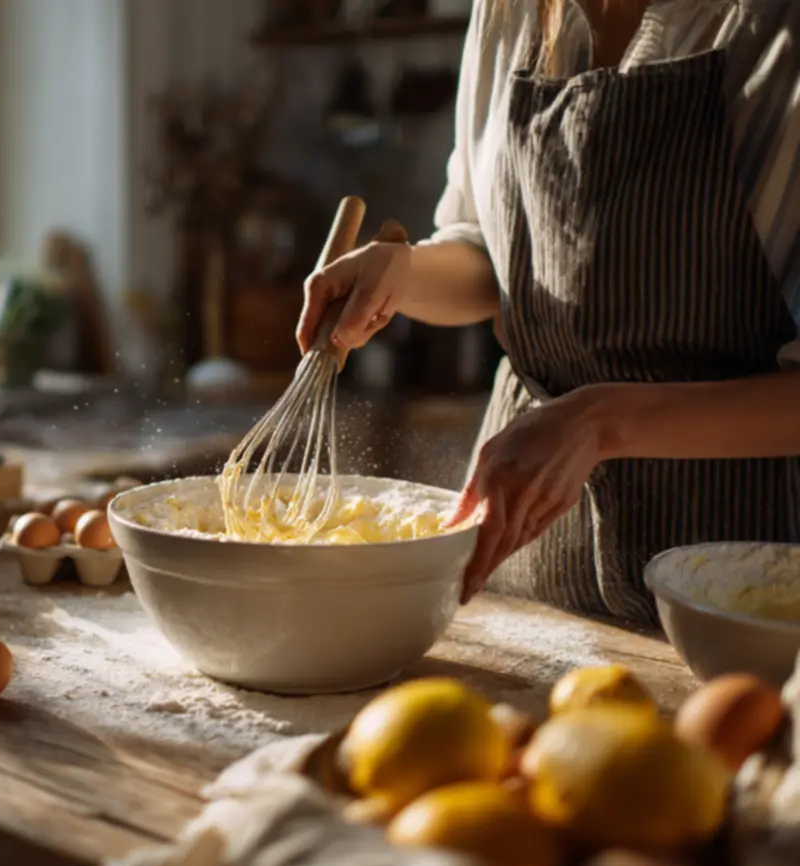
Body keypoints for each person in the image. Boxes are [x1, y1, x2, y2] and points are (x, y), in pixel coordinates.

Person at [297, 0, 800, 625]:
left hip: (738, 597)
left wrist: (598, 422)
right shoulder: (508, 13)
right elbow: (490, 256)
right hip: (530, 572)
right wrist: (404, 273)